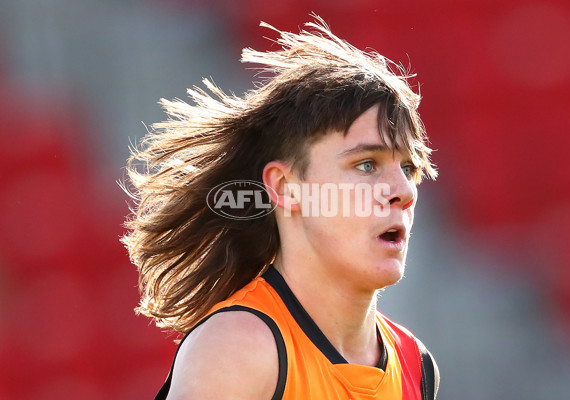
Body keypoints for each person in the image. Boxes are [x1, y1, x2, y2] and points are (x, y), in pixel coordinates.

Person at [123, 16, 440, 400]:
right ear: (285, 187)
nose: (403, 191)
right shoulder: (240, 347)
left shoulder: (413, 363)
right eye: (367, 165)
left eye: (408, 168)